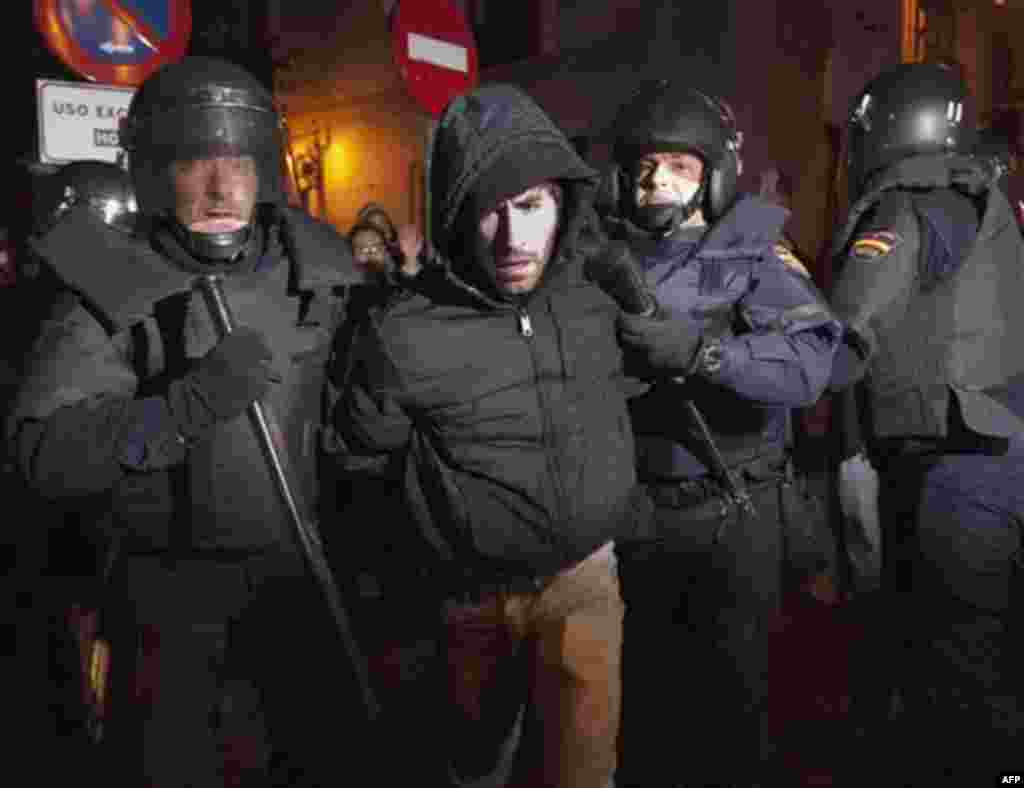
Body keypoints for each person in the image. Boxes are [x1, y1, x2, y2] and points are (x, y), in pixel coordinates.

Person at [334, 83, 710, 788]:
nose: (513, 239)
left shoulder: (595, 298)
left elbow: (645, 385)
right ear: (453, 218)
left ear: (563, 203)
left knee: (584, 774)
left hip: (585, 585)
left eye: (531, 206)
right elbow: (360, 459)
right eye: (488, 212)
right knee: (474, 771)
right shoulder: (401, 332)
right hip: (468, 601)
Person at [6, 56, 369, 787]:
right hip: (170, 595)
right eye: (193, 163)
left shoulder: (316, 269)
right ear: (151, 172)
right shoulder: (110, 283)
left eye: (237, 162)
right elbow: (41, 452)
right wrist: (182, 408)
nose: (220, 189)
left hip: (299, 580)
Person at [598, 80, 842, 786]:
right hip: (634, 514)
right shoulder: (597, 259)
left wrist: (706, 354)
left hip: (732, 515)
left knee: (731, 710)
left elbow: (810, 364)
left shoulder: (755, 256)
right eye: (644, 166)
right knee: (639, 710)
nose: (656, 181)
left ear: (716, 175)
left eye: (679, 165)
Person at [828, 61, 1024, 782]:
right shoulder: (988, 204)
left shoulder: (904, 207)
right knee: (998, 666)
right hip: (1006, 454)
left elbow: (842, 333)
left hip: (955, 477)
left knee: (953, 681)